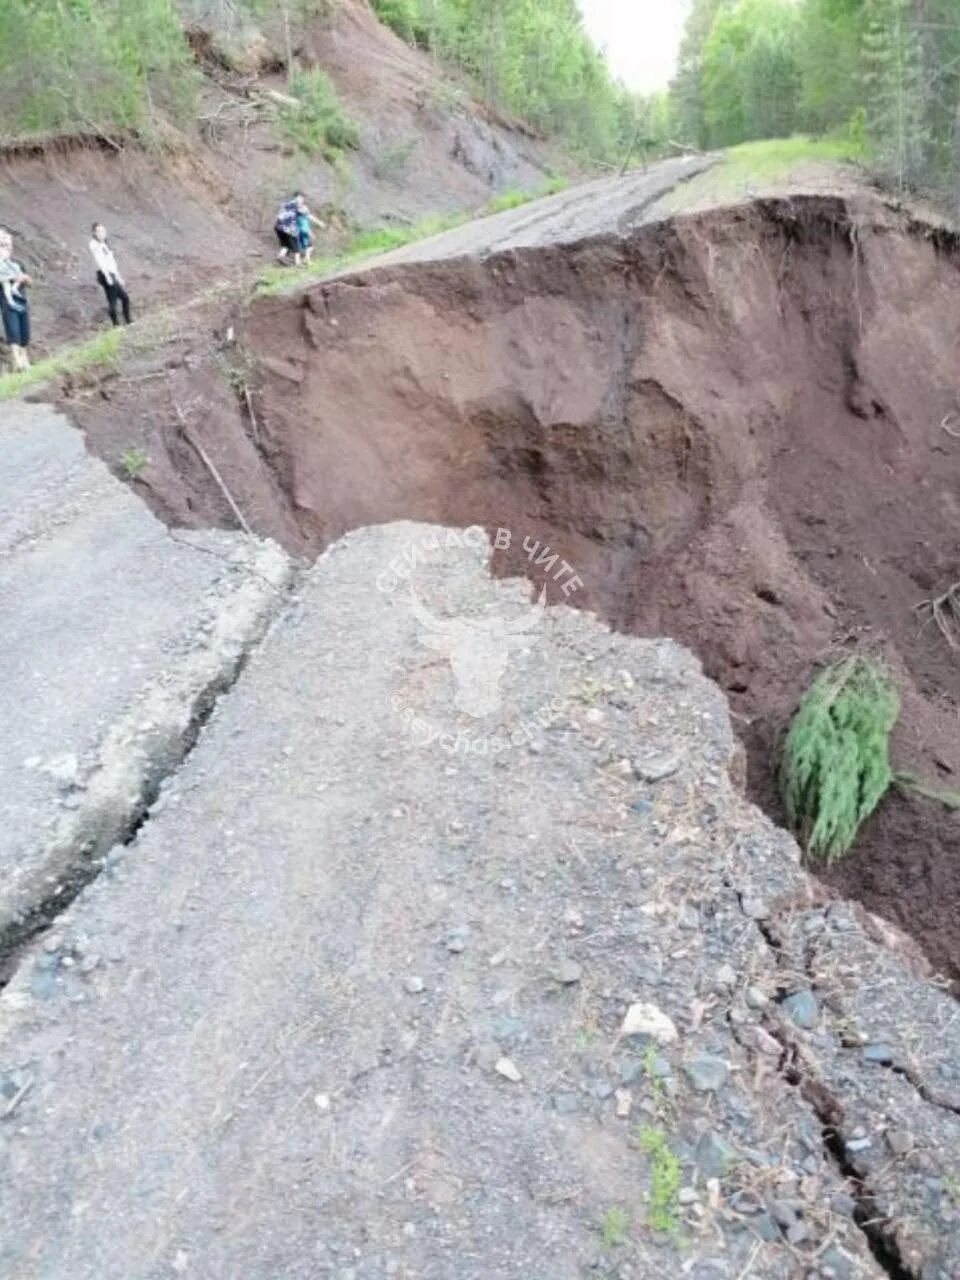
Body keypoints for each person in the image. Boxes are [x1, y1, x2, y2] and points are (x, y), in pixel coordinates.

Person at [0, 229, 32, 372]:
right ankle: (17, 360)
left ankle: (25, 359)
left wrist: (24, 278)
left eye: (8, 246)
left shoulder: (18, 264)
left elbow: (30, 282)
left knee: (24, 330)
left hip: (21, 299)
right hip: (8, 301)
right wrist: (11, 278)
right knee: (13, 331)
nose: (7, 248)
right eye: (3, 246)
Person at [89, 223, 131, 326]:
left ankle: (125, 321)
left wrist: (118, 276)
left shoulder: (103, 244)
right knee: (113, 299)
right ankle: (118, 323)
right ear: (94, 233)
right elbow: (101, 262)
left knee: (123, 298)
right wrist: (108, 277)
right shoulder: (96, 245)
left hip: (110, 274)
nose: (102, 233)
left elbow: (111, 262)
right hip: (104, 274)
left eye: (103, 231)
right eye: (99, 231)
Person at [275, 192, 324, 266]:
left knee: (287, 245)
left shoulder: (289, 206)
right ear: (296, 198)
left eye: (302, 198)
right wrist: (318, 223)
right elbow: (306, 218)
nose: (301, 200)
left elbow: (281, 214)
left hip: (282, 227)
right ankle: (301, 262)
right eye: (299, 198)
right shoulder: (298, 207)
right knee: (303, 247)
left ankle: (282, 256)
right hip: (292, 230)